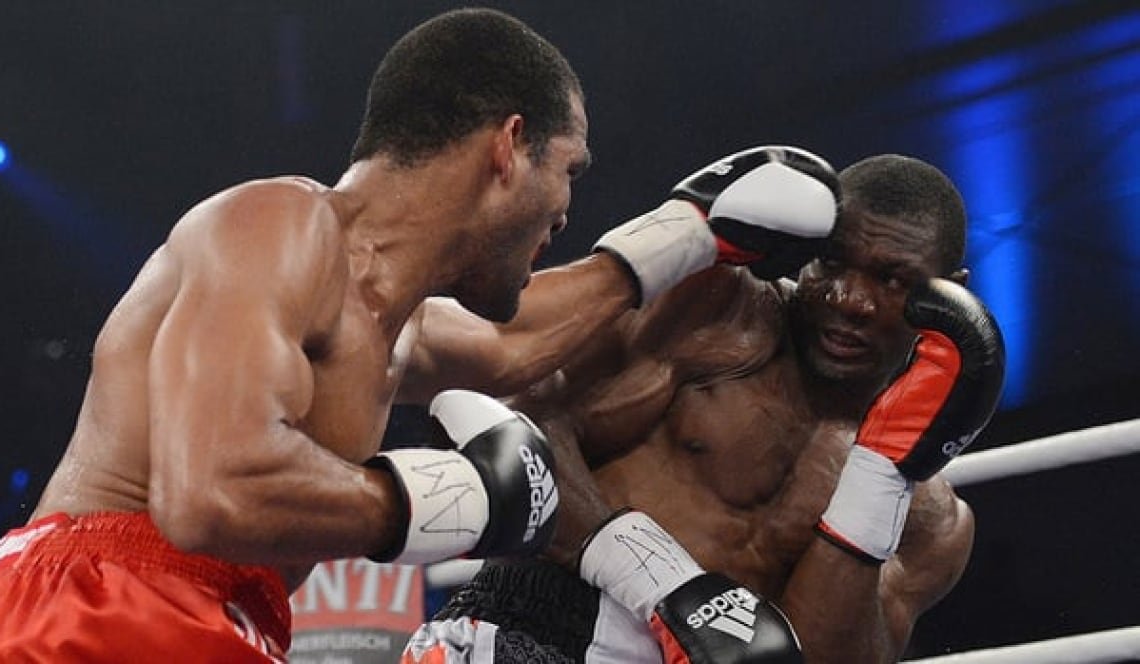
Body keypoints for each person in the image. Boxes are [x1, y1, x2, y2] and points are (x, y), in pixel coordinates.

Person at [0, 8, 841, 663]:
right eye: (569, 172)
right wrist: (445, 500)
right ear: (509, 146)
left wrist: (686, 230)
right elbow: (209, 493)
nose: (568, 209)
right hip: (90, 606)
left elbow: (519, 343)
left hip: (209, 616)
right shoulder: (276, 224)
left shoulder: (396, 321)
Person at [408, 154, 1006, 663]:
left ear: (949, 292)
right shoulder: (716, 313)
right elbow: (515, 421)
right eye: (833, 262)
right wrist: (660, 579)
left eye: (892, 280)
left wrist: (882, 473)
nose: (848, 298)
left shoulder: (929, 518)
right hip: (537, 626)